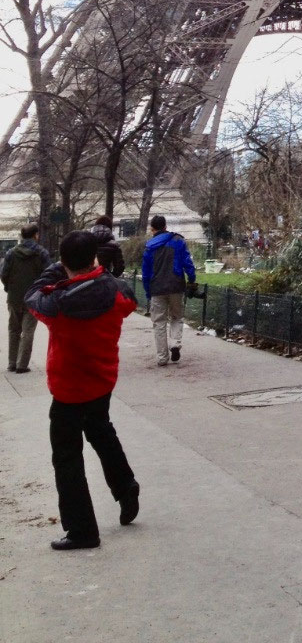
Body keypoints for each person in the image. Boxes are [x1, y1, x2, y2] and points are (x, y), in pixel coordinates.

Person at [25, 229, 140, 550]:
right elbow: (127, 294)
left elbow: (32, 294)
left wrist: (56, 269)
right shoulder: (117, 295)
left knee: (67, 456)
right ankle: (125, 485)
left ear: (64, 261)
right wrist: (97, 271)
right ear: (94, 259)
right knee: (101, 430)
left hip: (68, 389)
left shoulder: (57, 304)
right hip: (102, 380)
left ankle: (82, 529)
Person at [142, 214, 196, 366]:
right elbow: (187, 262)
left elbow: (146, 273)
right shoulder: (178, 241)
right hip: (176, 285)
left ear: (152, 229)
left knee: (159, 322)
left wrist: (148, 291)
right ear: (165, 226)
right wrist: (191, 279)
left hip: (156, 288)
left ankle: (162, 358)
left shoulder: (149, 246)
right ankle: (175, 344)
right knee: (177, 317)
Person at [1, 222, 52, 372]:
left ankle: (12, 362)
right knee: (28, 330)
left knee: (13, 329)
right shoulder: (42, 253)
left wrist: (9, 287)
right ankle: (22, 364)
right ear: (36, 235)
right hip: (33, 297)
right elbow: (48, 274)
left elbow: (4, 274)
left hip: (14, 296)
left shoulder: (11, 253)